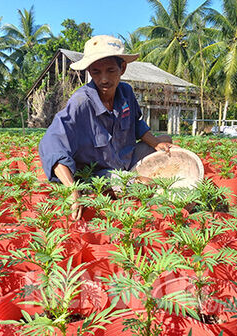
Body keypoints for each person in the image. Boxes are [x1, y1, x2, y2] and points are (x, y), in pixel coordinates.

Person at [39, 35, 174, 219]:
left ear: (122, 68)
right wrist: (72, 190)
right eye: (96, 72)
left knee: (168, 144)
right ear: (89, 72)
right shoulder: (81, 102)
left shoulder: (126, 92)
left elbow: (136, 124)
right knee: (146, 185)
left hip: (127, 159)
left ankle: (137, 178)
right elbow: (52, 145)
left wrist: (156, 143)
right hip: (99, 173)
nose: (103, 79)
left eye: (110, 70)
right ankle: (136, 187)